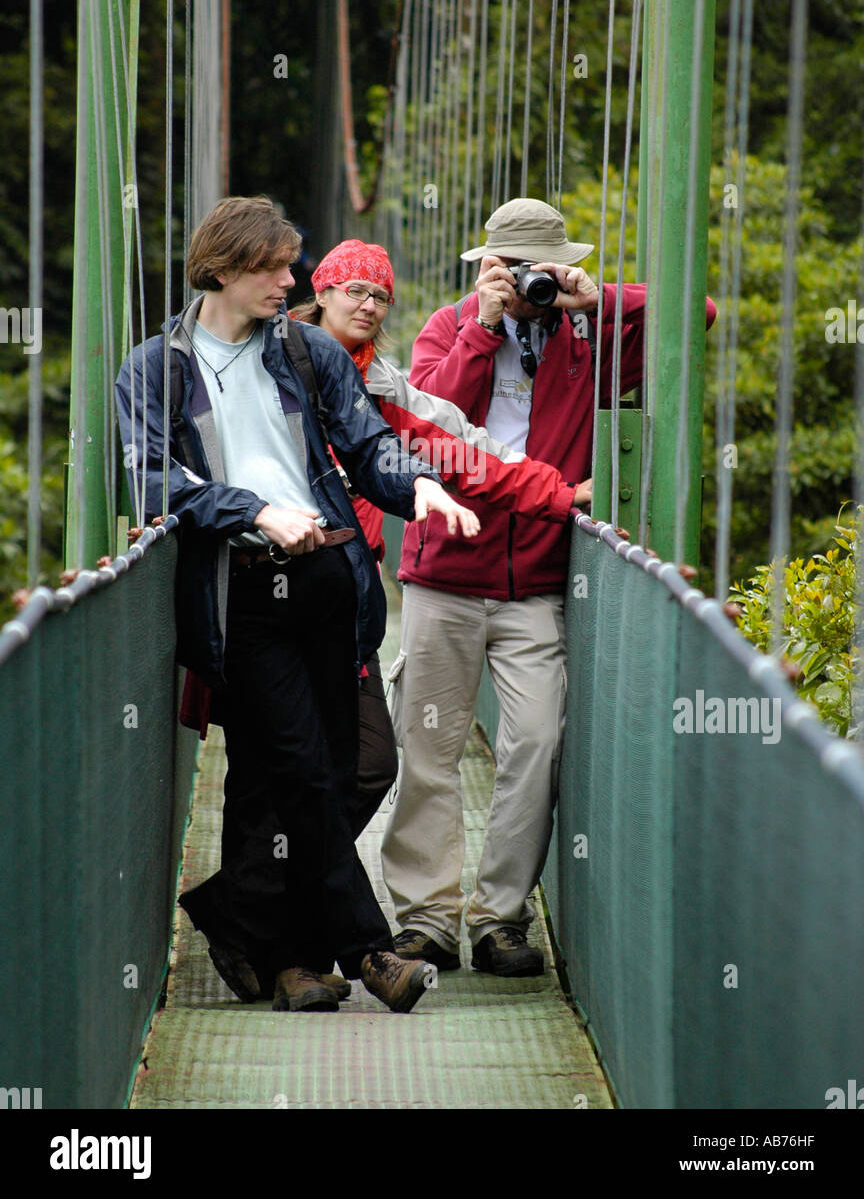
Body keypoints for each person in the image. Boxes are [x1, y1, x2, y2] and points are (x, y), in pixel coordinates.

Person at [114, 195, 481, 1015]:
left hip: (328, 584)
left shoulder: (308, 350)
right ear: (224, 269)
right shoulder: (156, 368)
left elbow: (366, 443)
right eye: (275, 268)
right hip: (239, 593)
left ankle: (264, 939)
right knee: (305, 769)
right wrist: (249, 509)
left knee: (309, 774)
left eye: (291, 265)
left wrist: (419, 484)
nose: (293, 280)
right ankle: (363, 951)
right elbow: (149, 480)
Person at [381, 197, 718, 976]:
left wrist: (594, 298)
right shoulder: (449, 325)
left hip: (535, 581)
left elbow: (692, 315)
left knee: (534, 744)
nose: (527, 282)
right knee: (428, 749)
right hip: (443, 575)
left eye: (541, 268)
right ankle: (427, 918)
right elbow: (423, 414)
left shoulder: (590, 337)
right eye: (512, 269)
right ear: (487, 266)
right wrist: (484, 325)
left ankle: (499, 917)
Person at [289, 238, 594, 839]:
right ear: (320, 291)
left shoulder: (382, 386)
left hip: (347, 600)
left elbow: (458, 445)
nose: (371, 305)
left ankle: (287, 904)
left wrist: (557, 493)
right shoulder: (268, 360)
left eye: (381, 296)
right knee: (282, 765)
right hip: (267, 591)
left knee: (369, 766)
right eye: (356, 291)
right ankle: (280, 914)